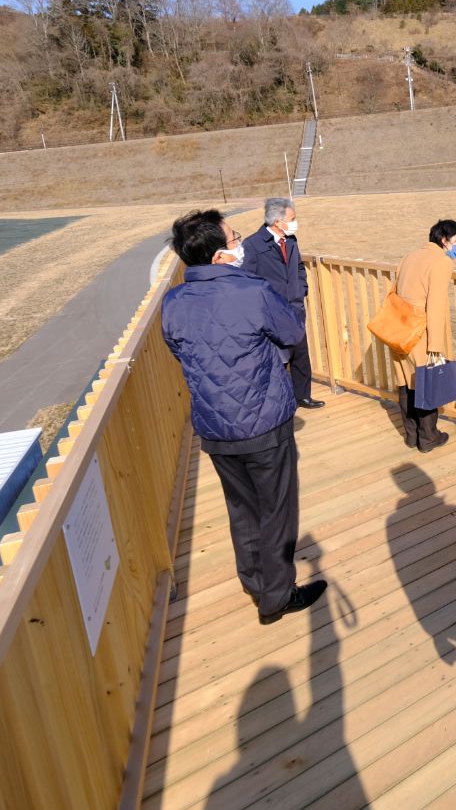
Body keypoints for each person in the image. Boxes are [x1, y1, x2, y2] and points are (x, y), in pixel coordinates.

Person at [161, 209, 326, 624]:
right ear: (218, 256)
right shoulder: (252, 291)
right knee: (277, 510)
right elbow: (292, 332)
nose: (241, 245)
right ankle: (276, 596)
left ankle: (255, 581)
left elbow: (178, 349)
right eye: (234, 240)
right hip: (265, 422)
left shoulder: (174, 301)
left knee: (242, 509)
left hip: (215, 427)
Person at [241, 197, 324, 410]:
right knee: (278, 359)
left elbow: (298, 268)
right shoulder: (252, 245)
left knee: (300, 355)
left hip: (294, 309)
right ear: (278, 222)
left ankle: (302, 396)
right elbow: (247, 280)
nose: (295, 222)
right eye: (292, 218)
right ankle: (278, 403)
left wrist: (301, 289)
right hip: (271, 313)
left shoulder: (291, 240)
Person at [393, 219, 456, 452]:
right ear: (444, 240)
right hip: (420, 330)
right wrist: (435, 344)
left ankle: (411, 435)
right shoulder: (441, 262)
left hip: (399, 327)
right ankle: (429, 437)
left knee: (405, 382)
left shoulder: (410, 256)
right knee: (426, 381)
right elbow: (435, 305)